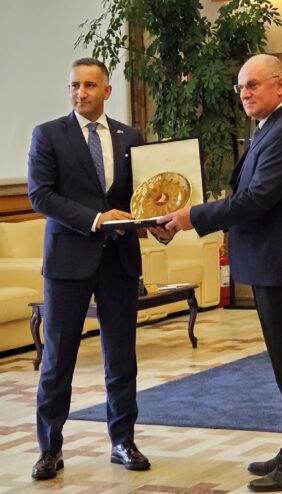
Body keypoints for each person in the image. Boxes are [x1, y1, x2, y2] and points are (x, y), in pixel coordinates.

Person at [158, 54, 282, 493]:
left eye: (253, 85)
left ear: (280, 84)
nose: (244, 94)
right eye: (240, 88)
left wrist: (194, 216)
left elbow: (256, 199)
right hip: (275, 263)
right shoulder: (272, 126)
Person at [27, 57, 150, 480]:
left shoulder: (130, 136)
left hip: (119, 261)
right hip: (68, 262)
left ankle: (123, 441)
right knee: (58, 358)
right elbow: (41, 195)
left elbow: (140, 197)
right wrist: (96, 219)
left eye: (90, 85)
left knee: (121, 357)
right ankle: (50, 449)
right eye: (74, 86)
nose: (80, 92)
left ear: (107, 91)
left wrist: (156, 220)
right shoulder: (48, 135)